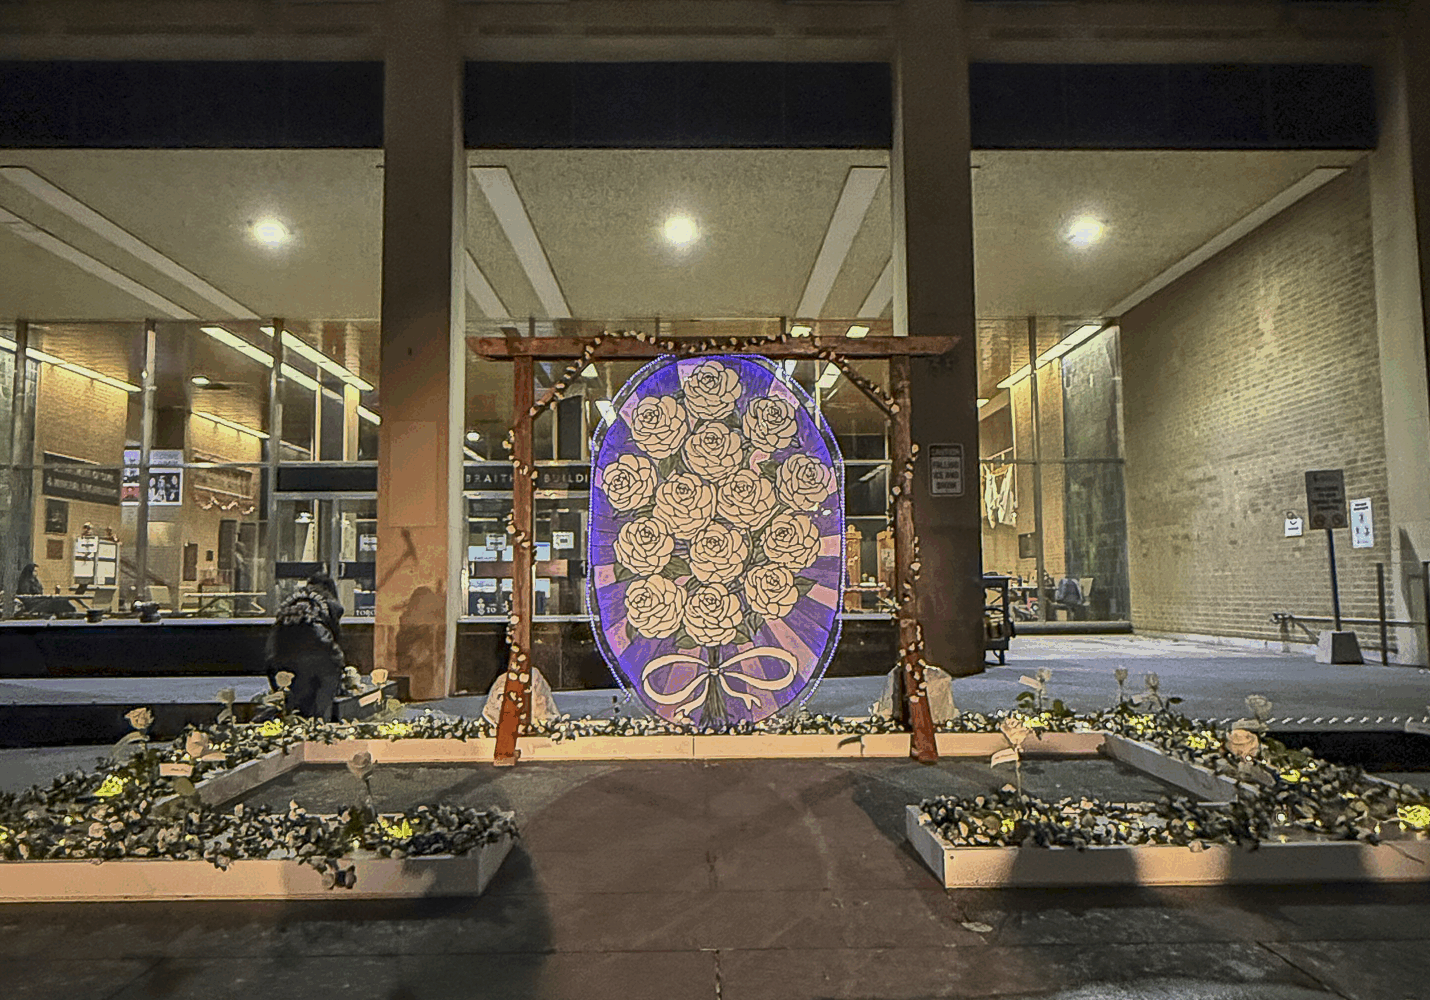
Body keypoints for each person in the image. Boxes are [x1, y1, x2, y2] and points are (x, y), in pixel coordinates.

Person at [265, 573, 345, 721]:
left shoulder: (291, 599)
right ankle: (320, 724)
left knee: (290, 698)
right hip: (318, 649)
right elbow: (335, 632)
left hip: (280, 650)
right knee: (322, 702)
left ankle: (290, 722)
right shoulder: (328, 601)